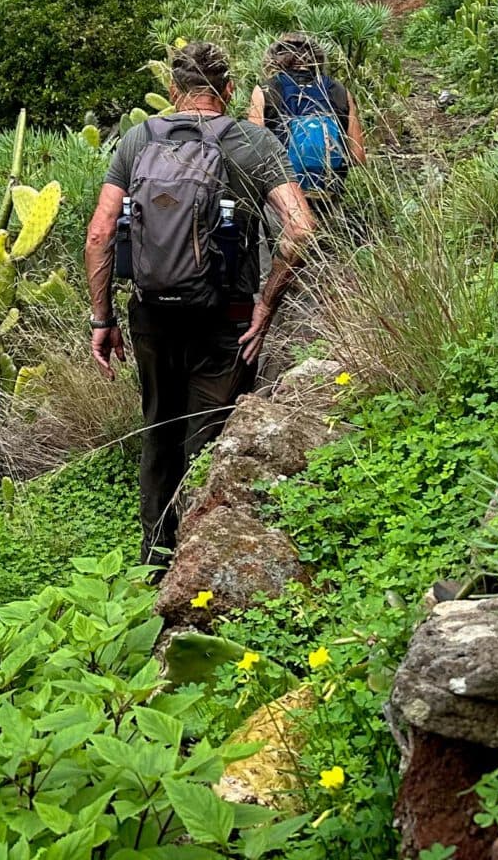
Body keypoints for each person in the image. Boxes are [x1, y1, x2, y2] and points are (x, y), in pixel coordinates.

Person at [85, 40, 321, 561]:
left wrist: (102, 318)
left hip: (151, 315)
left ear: (173, 92)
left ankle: (154, 560)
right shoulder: (254, 143)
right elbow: (301, 229)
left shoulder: (136, 141)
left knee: (159, 430)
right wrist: (266, 304)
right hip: (230, 319)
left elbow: (100, 235)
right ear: (229, 90)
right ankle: (205, 558)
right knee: (212, 439)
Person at [247, 33, 365, 205]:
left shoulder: (266, 90)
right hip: (329, 192)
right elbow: (358, 156)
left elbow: (254, 156)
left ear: (274, 59)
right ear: (317, 58)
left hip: (284, 194)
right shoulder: (338, 90)